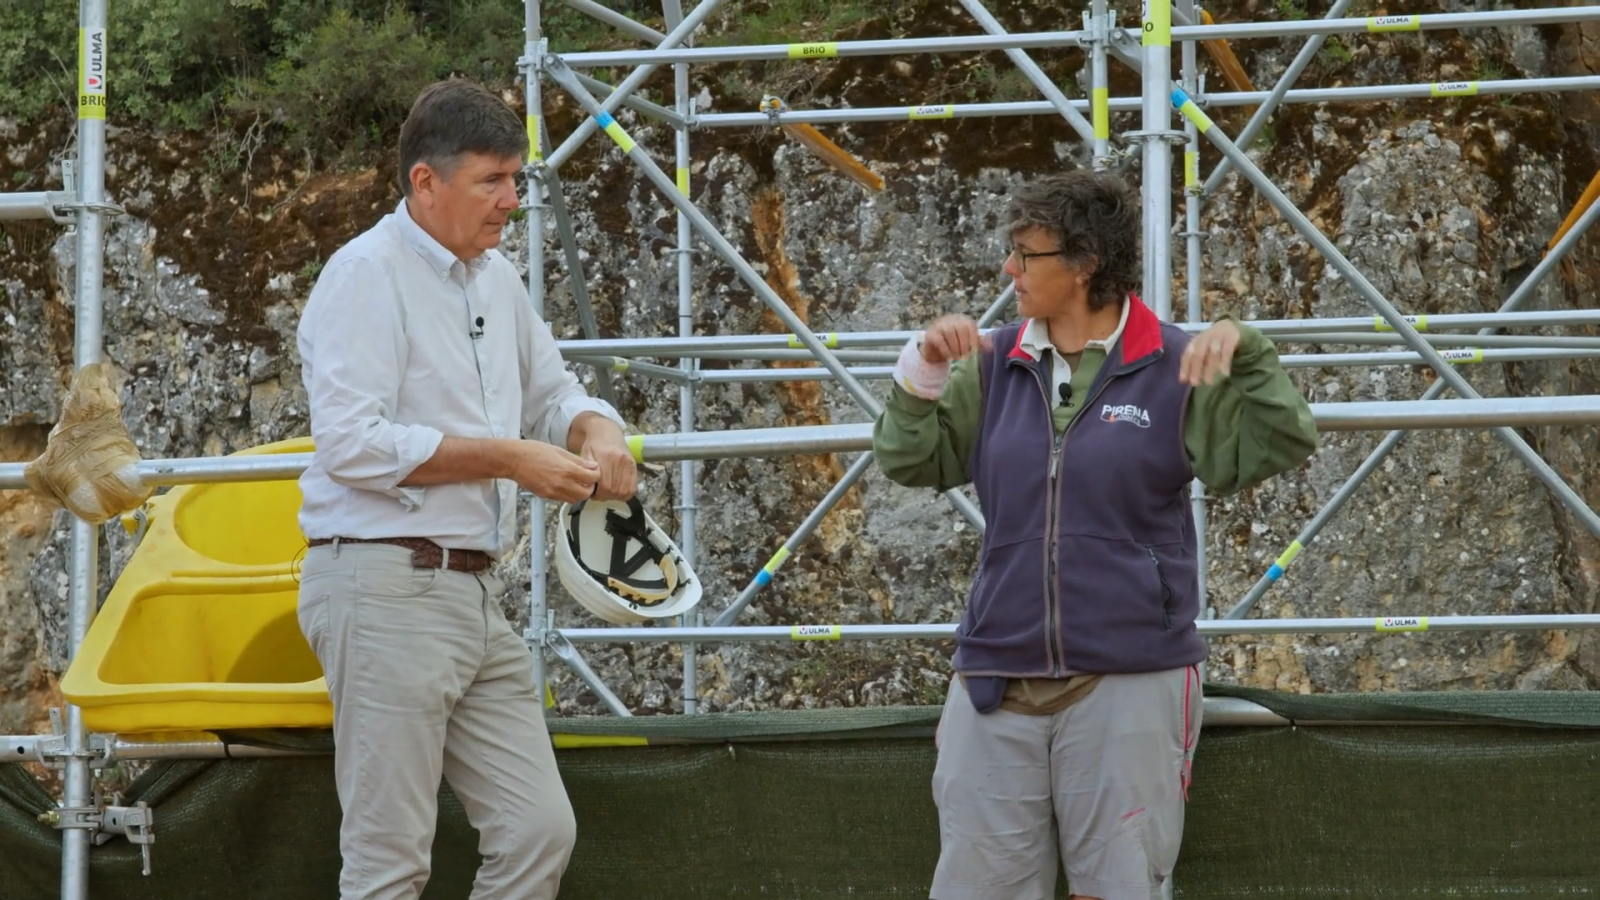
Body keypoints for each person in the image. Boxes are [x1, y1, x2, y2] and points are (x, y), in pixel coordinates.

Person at [873, 170, 1318, 900]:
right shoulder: (990, 364)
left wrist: (1249, 351)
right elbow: (909, 459)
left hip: (1132, 674)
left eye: (1027, 253)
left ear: (1085, 263)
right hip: (994, 675)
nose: (1009, 269)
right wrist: (922, 369)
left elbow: (1278, 444)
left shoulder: (1175, 364)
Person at [294, 79, 637, 900]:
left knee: (537, 831)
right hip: (380, 584)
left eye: (514, 178)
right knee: (388, 863)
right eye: (492, 181)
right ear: (425, 181)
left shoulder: (496, 278)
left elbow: (553, 395)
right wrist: (510, 460)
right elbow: (351, 443)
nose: (512, 199)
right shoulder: (363, 274)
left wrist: (599, 428)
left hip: (470, 592)